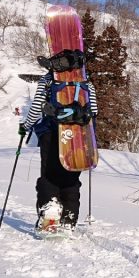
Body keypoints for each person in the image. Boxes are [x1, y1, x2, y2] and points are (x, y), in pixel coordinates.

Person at [19, 71, 97, 231]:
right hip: (77, 136)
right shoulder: (84, 79)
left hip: (51, 132)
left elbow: (36, 109)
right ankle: (69, 218)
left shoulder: (48, 79)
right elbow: (93, 111)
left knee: (49, 174)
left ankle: (50, 212)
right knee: (71, 176)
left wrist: (25, 126)